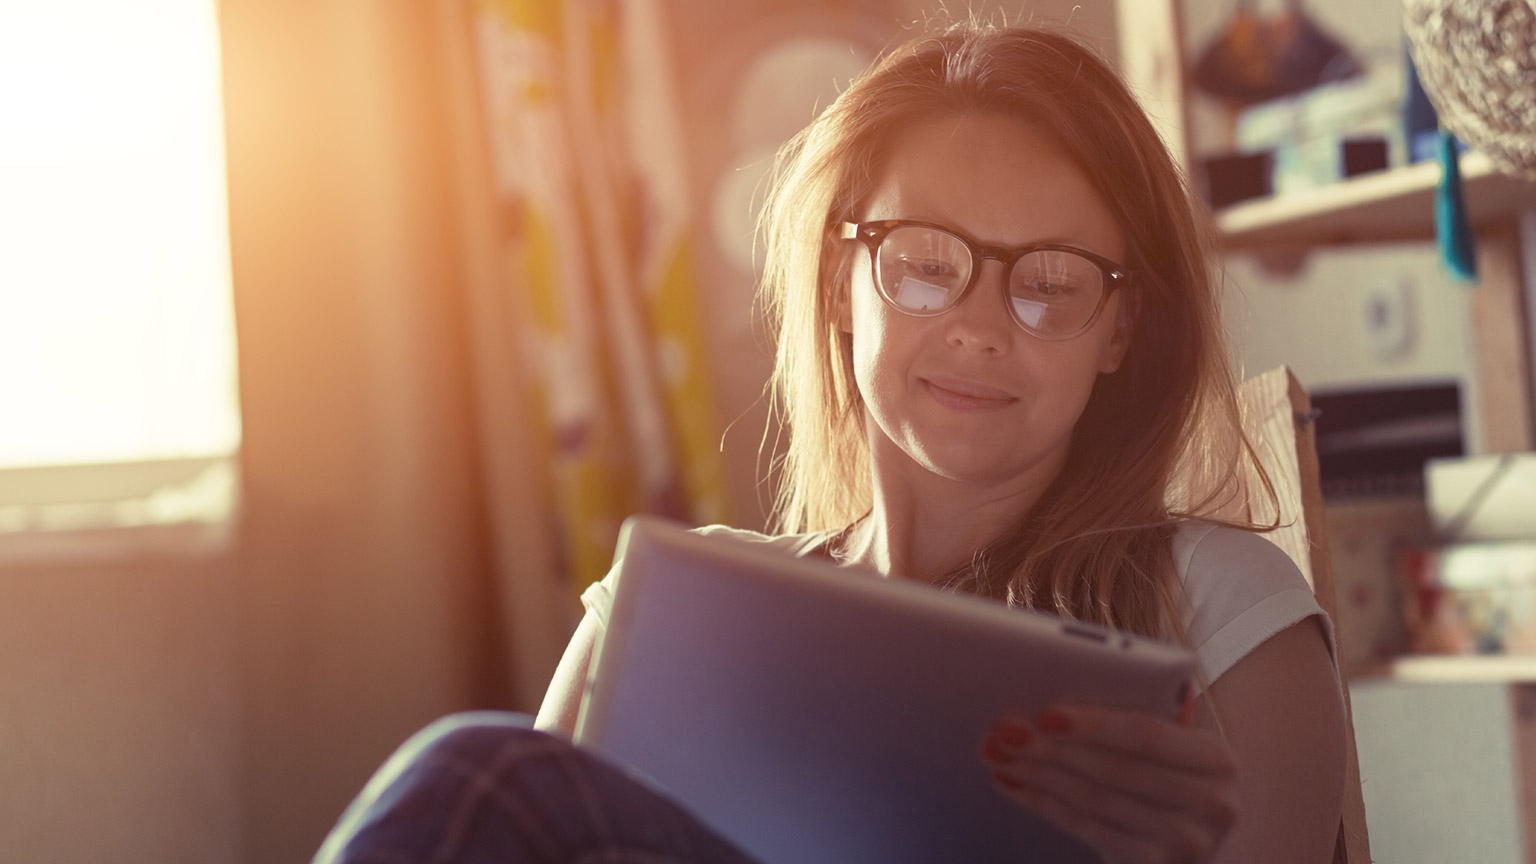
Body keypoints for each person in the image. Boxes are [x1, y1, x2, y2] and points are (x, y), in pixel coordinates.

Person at [314, 20, 1346, 864]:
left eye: (1048, 284)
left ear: (1119, 329)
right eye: (925, 263)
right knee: (484, 777)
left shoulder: (1230, 612)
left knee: (480, 772)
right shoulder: (663, 612)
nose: (980, 325)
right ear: (841, 286)